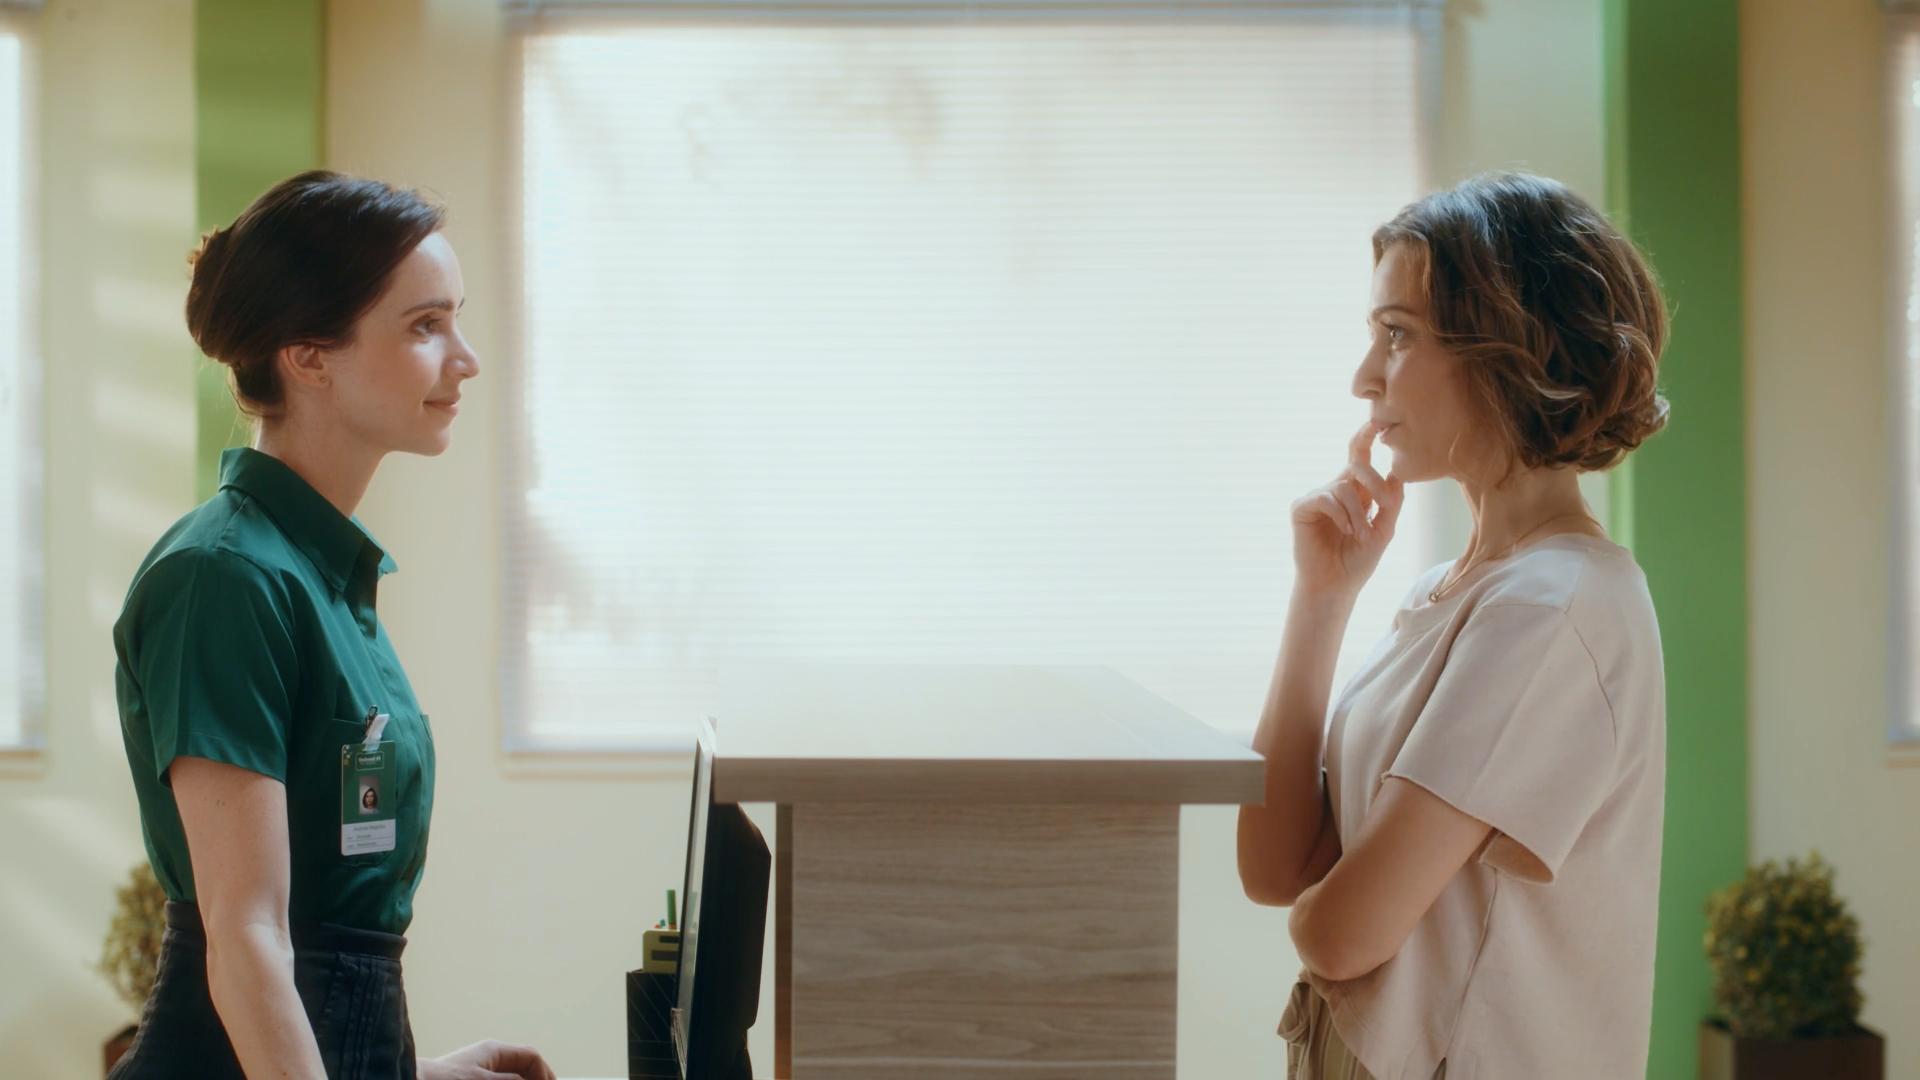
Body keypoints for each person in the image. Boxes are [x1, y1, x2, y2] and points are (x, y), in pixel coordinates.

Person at [109, 171, 556, 1080]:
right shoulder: (224, 577)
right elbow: (247, 938)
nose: (466, 358)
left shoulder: (321, 574)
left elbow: (323, 936)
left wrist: (414, 1073)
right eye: (425, 326)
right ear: (310, 356)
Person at [1236, 173, 1669, 1079]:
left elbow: (1340, 934)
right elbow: (1276, 868)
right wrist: (1322, 598)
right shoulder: (1455, 592)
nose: (1364, 378)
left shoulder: (1553, 608)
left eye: (1398, 335)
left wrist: (1324, 907)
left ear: (1510, 347)